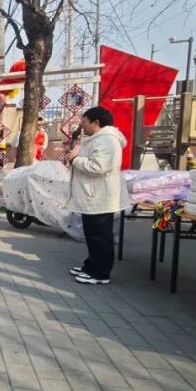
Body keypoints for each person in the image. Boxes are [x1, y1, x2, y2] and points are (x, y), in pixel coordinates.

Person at [68, 106, 127, 286]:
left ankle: (101, 273)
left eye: (84, 122)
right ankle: (91, 266)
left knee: (101, 236)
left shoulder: (107, 140)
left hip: (101, 196)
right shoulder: (97, 139)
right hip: (93, 195)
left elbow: (99, 167)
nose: (82, 126)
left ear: (96, 122)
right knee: (92, 234)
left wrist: (75, 160)